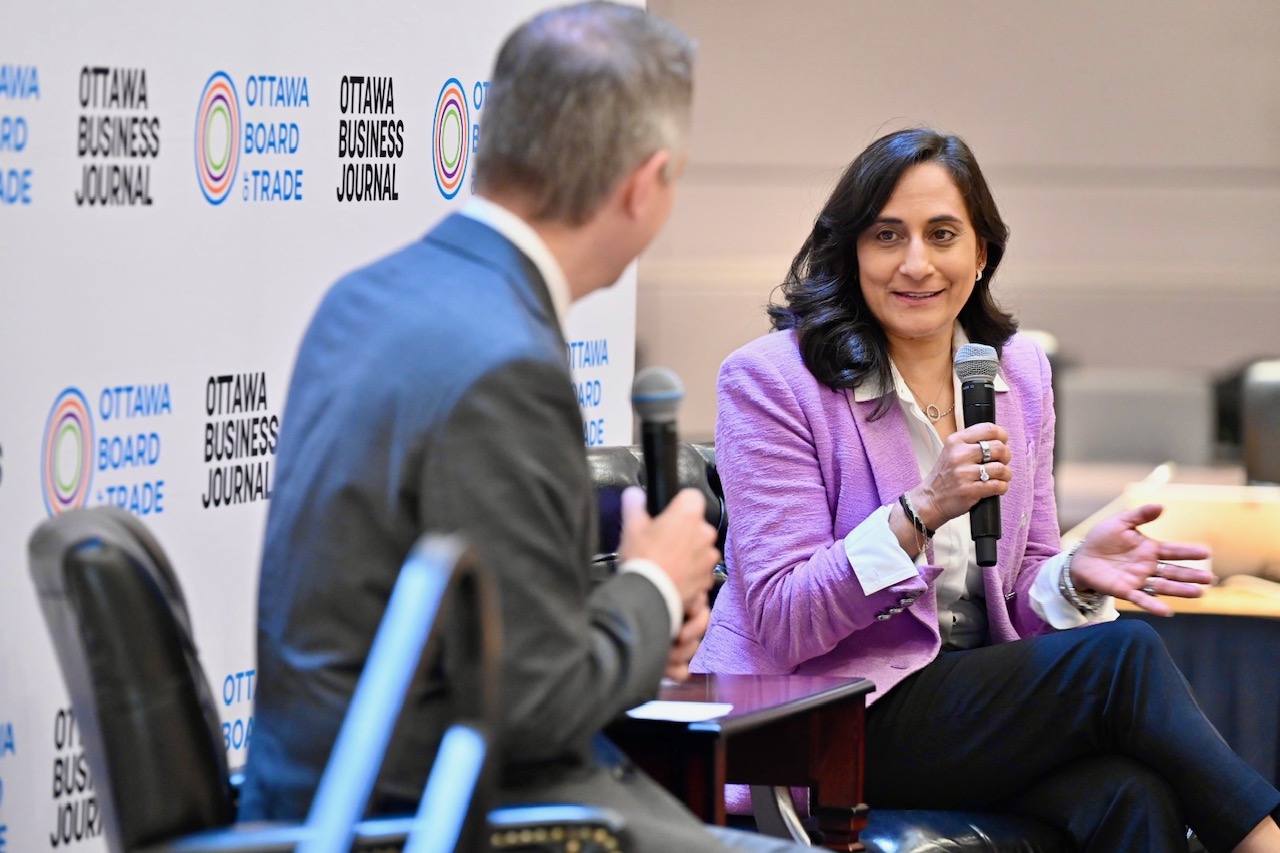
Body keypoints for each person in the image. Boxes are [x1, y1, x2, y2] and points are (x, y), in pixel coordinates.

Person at [238, 4, 807, 852]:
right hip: (421, 812)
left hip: (333, 783)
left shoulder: (363, 297)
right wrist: (653, 584)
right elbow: (535, 707)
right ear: (644, 184)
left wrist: (641, 613)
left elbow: (479, 635)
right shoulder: (508, 362)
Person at [690, 127, 1280, 852]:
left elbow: (1020, 580)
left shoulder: (1017, 371)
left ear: (981, 252)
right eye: (887, 235)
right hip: (819, 713)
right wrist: (918, 511)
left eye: (943, 234)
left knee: (1133, 795)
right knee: (1123, 656)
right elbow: (784, 615)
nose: (916, 263)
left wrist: (1071, 574)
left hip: (961, 699)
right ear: (851, 251)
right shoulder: (772, 380)